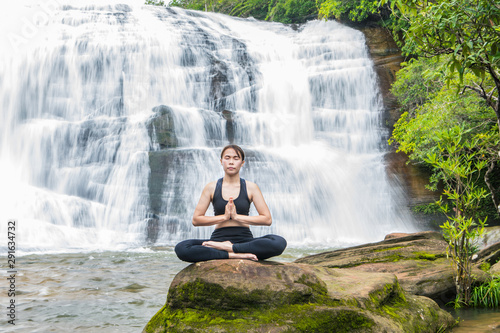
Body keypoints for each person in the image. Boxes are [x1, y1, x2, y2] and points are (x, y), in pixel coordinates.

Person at [175, 144, 287, 262]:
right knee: (182, 248)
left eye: (236, 158)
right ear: (221, 161)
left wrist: (236, 217)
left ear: (242, 163)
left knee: (278, 242)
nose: (231, 162)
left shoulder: (251, 187)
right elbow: (196, 220)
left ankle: (230, 249)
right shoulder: (211, 187)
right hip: (218, 240)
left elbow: (267, 219)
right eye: (227, 158)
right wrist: (224, 217)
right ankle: (234, 254)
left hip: (245, 240)